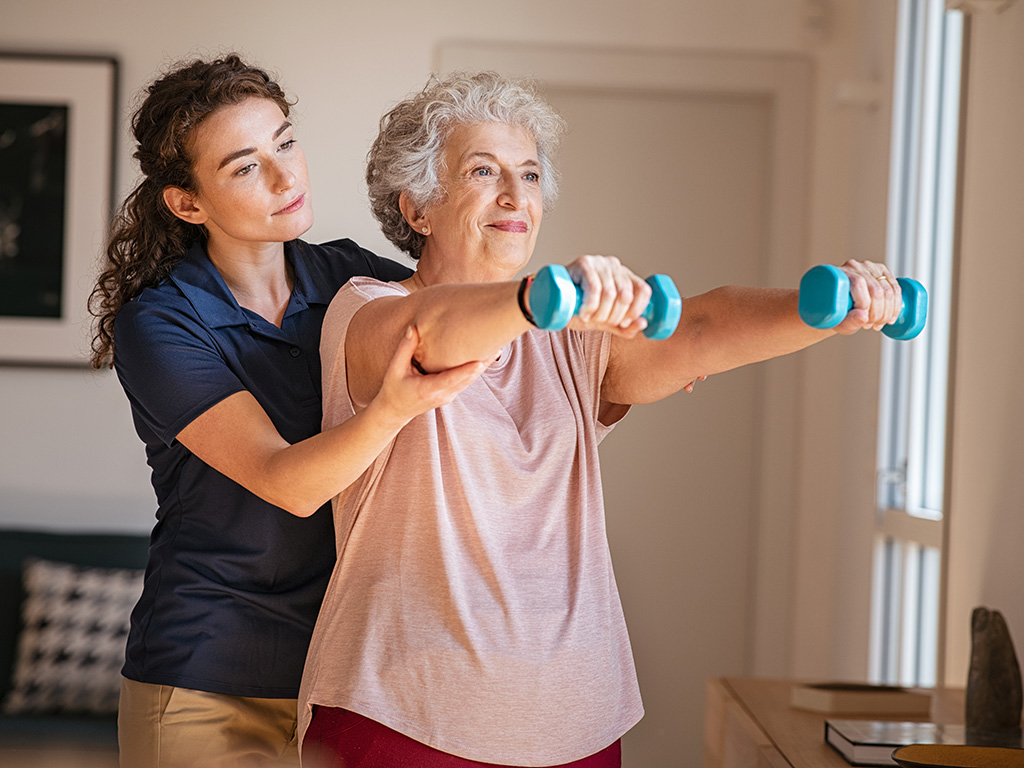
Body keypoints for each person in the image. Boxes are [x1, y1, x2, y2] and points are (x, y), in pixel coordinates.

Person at [296, 71, 904, 768]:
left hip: (576, 725)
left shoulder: (570, 336)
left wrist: (826, 308)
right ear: (417, 208)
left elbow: (702, 327)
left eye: (528, 175)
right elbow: (431, 335)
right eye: (483, 170)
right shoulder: (367, 308)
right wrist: (541, 299)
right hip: (404, 716)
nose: (514, 195)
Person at [88, 55, 484, 768]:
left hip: (338, 674)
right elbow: (288, 483)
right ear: (188, 203)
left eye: (286, 143)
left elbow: (460, 323)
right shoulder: (162, 324)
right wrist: (392, 408)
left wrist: (601, 361)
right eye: (244, 167)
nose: (284, 176)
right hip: (206, 679)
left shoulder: (348, 277)